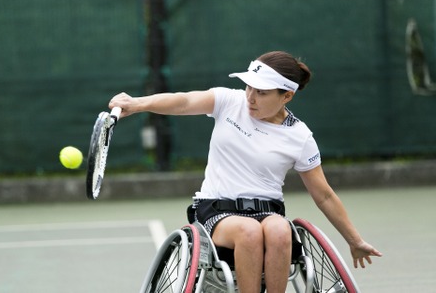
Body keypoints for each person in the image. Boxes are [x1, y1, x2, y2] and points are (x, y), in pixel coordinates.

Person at [109, 51, 382, 293]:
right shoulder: (229, 101)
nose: (251, 97)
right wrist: (138, 104)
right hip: (216, 210)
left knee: (280, 230)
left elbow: (323, 195)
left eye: (262, 93)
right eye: (249, 87)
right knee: (249, 232)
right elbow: (183, 101)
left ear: (287, 95)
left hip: (268, 210)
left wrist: (354, 240)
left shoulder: (300, 136)